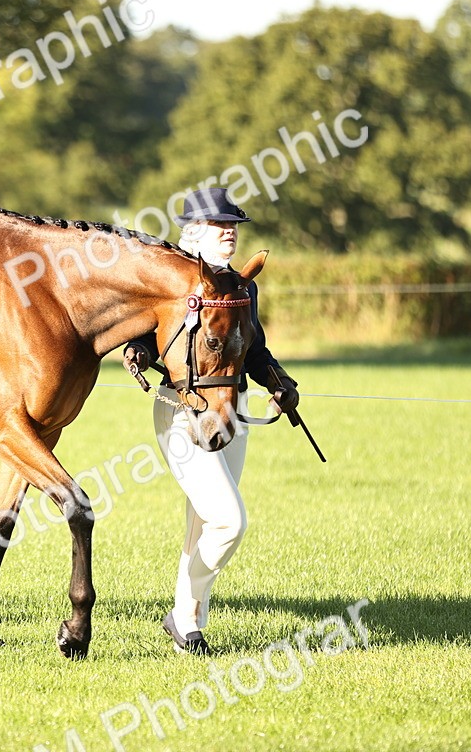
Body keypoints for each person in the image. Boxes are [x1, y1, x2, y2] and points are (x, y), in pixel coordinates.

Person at [123, 187, 300, 656]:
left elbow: (253, 349)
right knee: (229, 521)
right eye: (221, 225)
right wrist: (138, 351)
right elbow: (145, 332)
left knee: (204, 521)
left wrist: (278, 381)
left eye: (233, 225)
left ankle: (187, 626)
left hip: (233, 408)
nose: (230, 233)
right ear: (195, 231)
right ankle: (184, 612)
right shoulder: (169, 279)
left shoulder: (244, 286)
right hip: (183, 410)